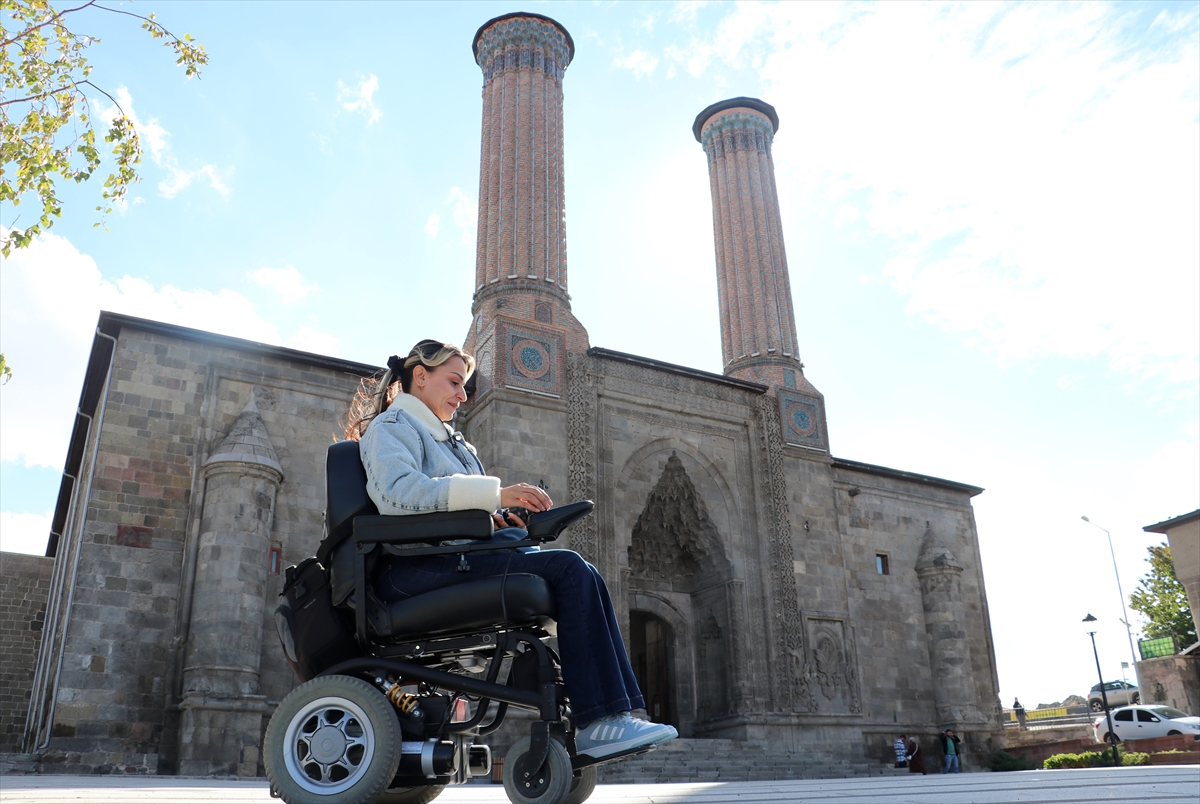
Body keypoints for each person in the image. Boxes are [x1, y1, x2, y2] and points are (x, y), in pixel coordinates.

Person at [348, 339, 678, 760]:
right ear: (419, 376)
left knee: (583, 573)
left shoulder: (457, 445)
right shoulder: (392, 428)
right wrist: (497, 496)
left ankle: (617, 714)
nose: (462, 396)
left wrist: (498, 522)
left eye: (465, 386)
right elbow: (398, 496)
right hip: (413, 571)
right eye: (454, 382)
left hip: (457, 561)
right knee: (570, 570)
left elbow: (462, 511)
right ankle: (598, 721)